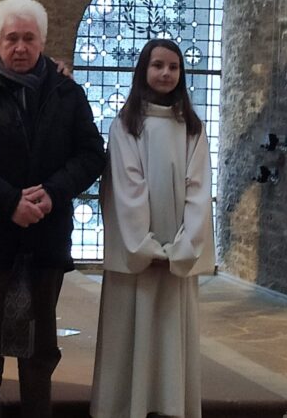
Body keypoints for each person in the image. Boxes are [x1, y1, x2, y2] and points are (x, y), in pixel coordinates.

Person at [0, 0, 107, 418]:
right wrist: (9, 202)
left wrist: (53, 192)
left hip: (45, 235)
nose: (20, 47)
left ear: (43, 41)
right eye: (11, 38)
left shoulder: (66, 91)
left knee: (40, 346)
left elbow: (91, 153)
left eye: (29, 38)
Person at [89, 39, 215, 418]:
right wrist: (144, 247)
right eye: (157, 65)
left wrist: (182, 247)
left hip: (176, 252)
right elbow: (127, 188)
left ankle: (168, 405)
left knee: (169, 332)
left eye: (173, 67)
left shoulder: (192, 128)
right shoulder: (126, 125)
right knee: (130, 330)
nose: (165, 73)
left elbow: (199, 189)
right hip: (138, 255)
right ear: (143, 70)